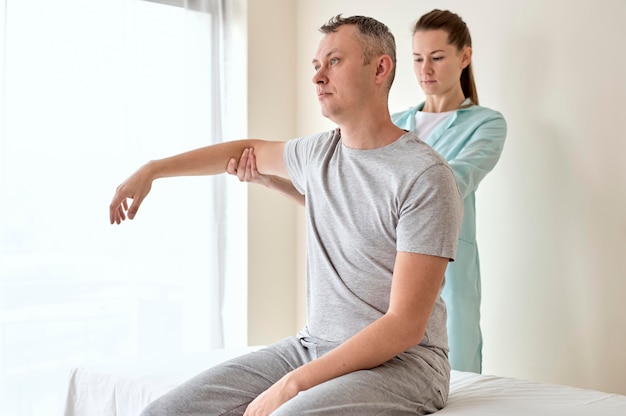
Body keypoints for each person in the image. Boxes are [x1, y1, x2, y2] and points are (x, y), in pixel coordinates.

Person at [110, 14, 463, 416]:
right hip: (313, 346)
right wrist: (152, 169)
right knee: (168, 411)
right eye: (316, 66)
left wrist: (292, 385)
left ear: (380, 68)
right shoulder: (317, 155)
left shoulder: (425, 177)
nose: (317, 78)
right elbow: (245, 149)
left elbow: (404, 326)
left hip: (407, 364)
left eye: (333, 62)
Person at [227, 9, 506, 374]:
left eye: (437, 58)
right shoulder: (398, 122)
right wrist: (272, 180)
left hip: (443, 263)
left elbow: (449, 182)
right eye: (418, 59)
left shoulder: (485, 125)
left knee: (460, 366)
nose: (425, 69)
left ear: (464, 58)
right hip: (381, 266)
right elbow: (348, 202)